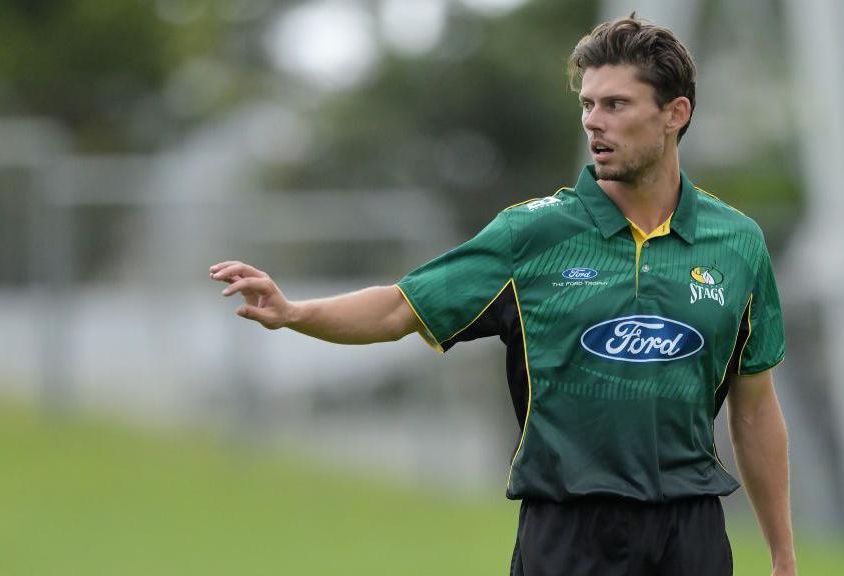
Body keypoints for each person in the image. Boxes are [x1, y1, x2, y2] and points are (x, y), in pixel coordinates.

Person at [209, 13, 795, 576]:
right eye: (587, 105)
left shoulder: (736, 244)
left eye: (616, 104)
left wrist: (782, 555)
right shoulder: (531, 234)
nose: (594, 121)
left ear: (675, 113)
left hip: (689, 533)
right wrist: (294, 313)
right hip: (568, 533)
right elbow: (398, 308)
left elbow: (756, 408)